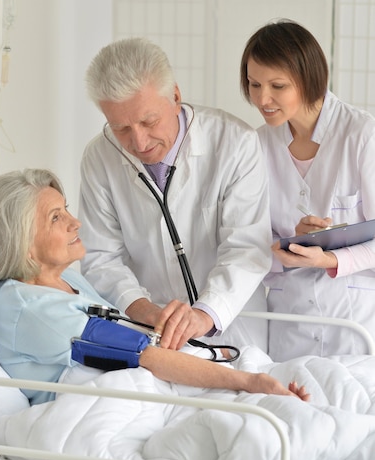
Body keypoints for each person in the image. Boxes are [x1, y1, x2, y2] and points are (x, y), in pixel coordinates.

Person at [0, 169, 309, 406]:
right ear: (23, 241)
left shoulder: (67, 280)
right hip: (102, 409)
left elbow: (130, 336)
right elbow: (144, 357)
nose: (76, 223)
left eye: (66, 210)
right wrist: (251, 384)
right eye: (56, 217)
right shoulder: (31, 309)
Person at [79, 36, 272, 354]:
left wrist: (203, 315)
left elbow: (247, 248)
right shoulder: (99, 158)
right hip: (151, 335)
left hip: (232, 328)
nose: (139, 142)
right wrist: (146, 312)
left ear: (176, 96)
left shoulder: (235, 143)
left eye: (148, 121)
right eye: (121, 128)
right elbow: (101, 258)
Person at [240, 19, 375, 361]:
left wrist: (329, 257)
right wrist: (288, 248)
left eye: (277, 86)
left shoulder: (361, 136)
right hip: (289, 322)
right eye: (254, 84)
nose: (263, 99)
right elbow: (249, 241)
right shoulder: (257, 144)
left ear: (309, 78)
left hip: (354, 324)